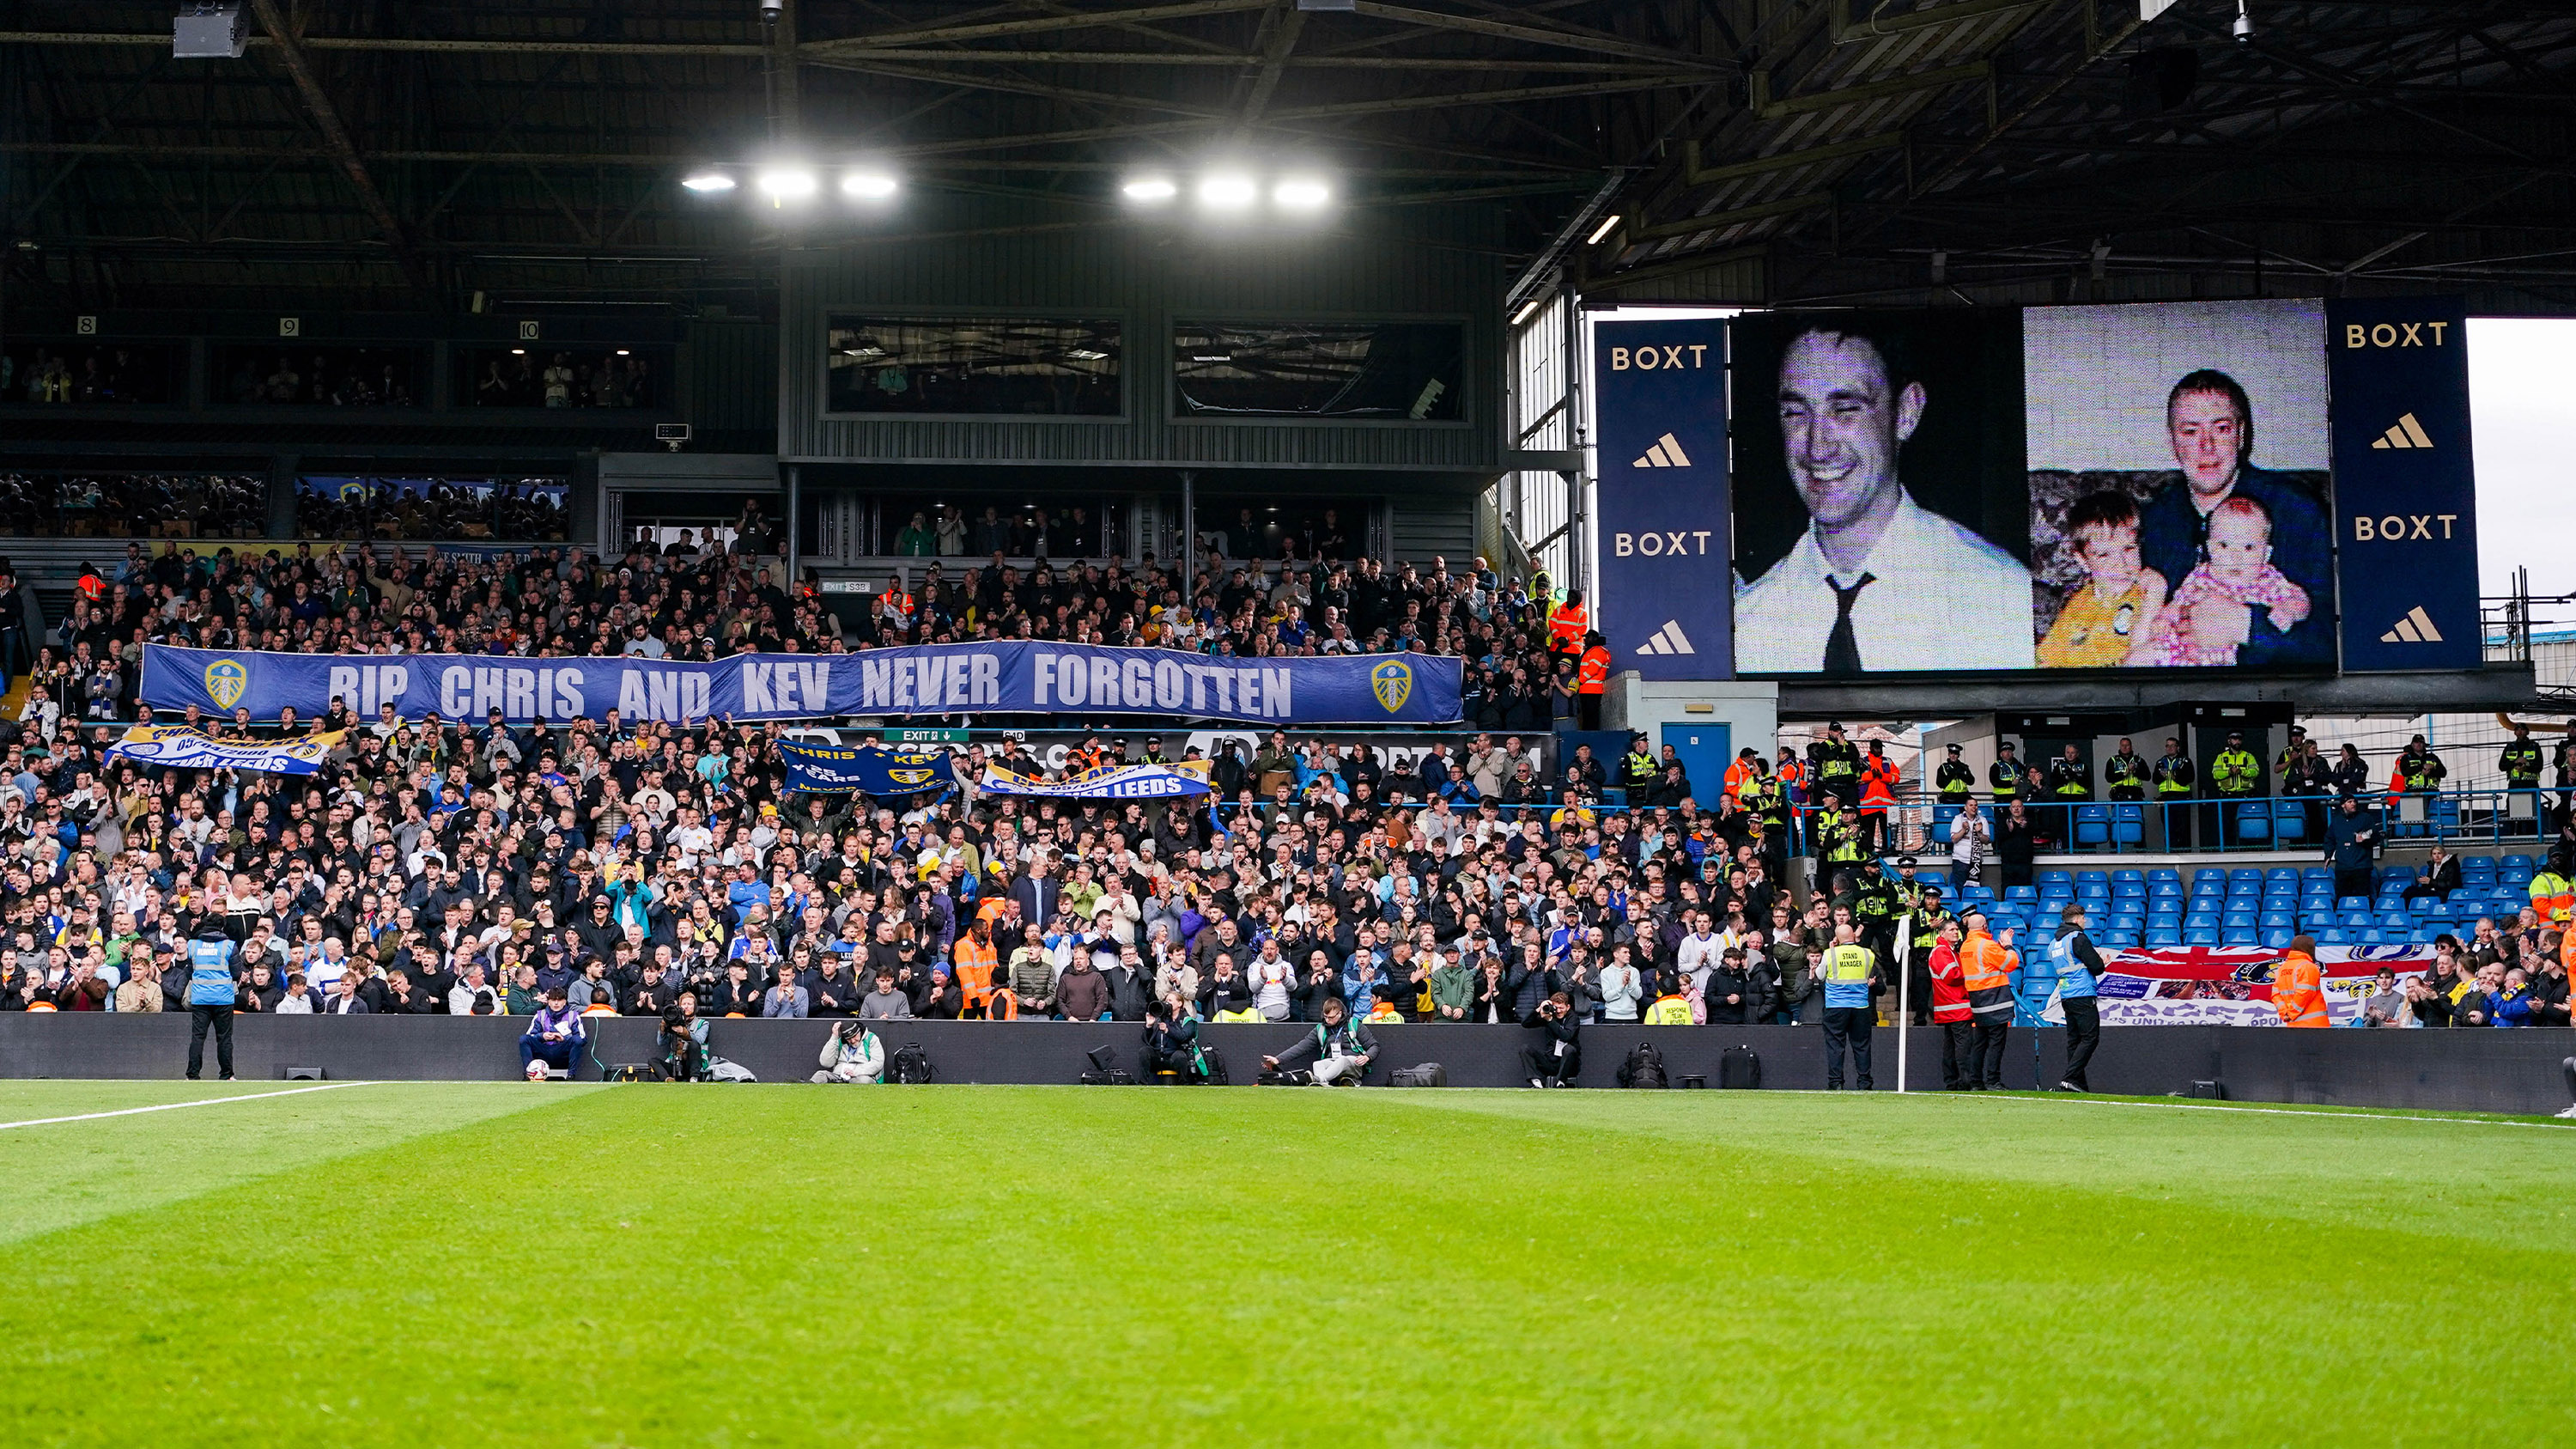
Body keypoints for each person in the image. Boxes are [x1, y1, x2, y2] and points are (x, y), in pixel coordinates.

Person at [1735, 325, 2034, 673]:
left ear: (1905, 413)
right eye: (1796, 413)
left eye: (1845, 409)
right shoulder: (1750, 621)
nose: (1818, 446)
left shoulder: (1997, 599)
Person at [2136, 368, 2332, 668]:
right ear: (2172, 440)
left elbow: (2338, 639)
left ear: (2241, 435)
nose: (2207, 446)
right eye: (2190, 432)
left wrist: (2247, 626)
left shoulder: (2298, 512)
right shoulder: (2154, 521)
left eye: (2222, 428)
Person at [2139, 496, 2309, 667]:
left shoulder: (2269, 580)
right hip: (2185, 651)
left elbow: (2301, 600)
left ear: (2266, 554)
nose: (2235, 557)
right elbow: (2179, 603)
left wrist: (2289, 610)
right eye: (2224, 546)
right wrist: (2163, 619)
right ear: (2210, 548)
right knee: (2143, 655)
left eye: (2248, 547)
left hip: (2234, 659)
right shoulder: (2202, 575)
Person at [2037, 491, 2166, 667]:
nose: (2120, 564)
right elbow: (2047, 659)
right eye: (2104, 555)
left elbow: (2144, 655)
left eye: (2129, 549)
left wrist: (2157, 593)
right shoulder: (2077, 605)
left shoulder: (2148, 595)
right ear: (2083, 561)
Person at [2049, 904, 2107, 1093]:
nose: (2085, 921)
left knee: (2074, 1040)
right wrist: (2101, 962)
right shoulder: (2078, 937)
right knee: (2090, 1037)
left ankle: (2078, 1084)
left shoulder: (2054, 943)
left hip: (2066, 995)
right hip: (2082, 992)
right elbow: (2096, 967)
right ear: (2076, 920)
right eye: (2083, 918)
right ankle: (2070, 1078)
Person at [1261, 993, 1376, 1087]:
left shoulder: (1354, 1023)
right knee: (1317, 1064)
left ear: (1340, 1014)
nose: (1327, 1021)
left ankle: (1317, 1080)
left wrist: (1367, 1057)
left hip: (1354, 1062)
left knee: (1342, 1060)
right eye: (1325, 1017)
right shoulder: (1320, 1028)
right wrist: (1278, 1059)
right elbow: (1302, 1047)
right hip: (1333, 1061)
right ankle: (1323, 1086)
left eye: (1330, 1018)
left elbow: (1374, 1046)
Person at [1959, 912, 2019, 1090]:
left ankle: (1976, 1082)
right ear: (1985, 926)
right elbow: (2012, 963)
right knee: (1996, 1044)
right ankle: (1993, 1081)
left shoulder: (1965, 946)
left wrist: (1999, 948)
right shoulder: (1986, 945)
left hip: (1977, 1001)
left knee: (1980, 1044)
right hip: (1995, 999)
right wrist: (2008, 946)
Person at [1817, 923, 1876, 1091]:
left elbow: (1820, 975)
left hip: (1835, 1006)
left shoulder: (1830, 954)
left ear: (1836, 938)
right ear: (1853, 936)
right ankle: (1865, 1083)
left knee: (1835, 1046)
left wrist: (1832, 950)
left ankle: (1836, 1083)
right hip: (1861, 1006)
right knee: (1862, 1046)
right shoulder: (1868, 953)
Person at [183, 922, 240, 1081]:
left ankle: (192, 1075)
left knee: (198, 1037)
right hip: (223, 998)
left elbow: (188, 971)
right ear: (222, 927)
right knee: (224, 1038)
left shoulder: (193, 944)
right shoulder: (229, 945)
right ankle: (227, 1074)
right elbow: (236, 973)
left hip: (200, 997)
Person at [1926, 918, 1973, 1090]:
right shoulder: (1941, 951)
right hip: (1955, 1007)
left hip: (1951, 1007)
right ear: (1941, 933)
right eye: (1951, 930)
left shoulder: (1948, 951)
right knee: (1962, 1047)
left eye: (1956, 929)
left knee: (1952, 1047)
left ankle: (1954, 1082)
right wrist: (1970, 969)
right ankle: (1964, 1082)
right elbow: (1952, 976)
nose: (1955, 932)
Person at [1518, 990, 1583, 1087]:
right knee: (1525, 1049)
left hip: (1569, 1065)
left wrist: (1550, 1021)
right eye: (1556, 1008)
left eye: (1562, 1008)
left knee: (1569, 1049)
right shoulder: (1550, 1015)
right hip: (1551, 1061)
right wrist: (1539, 1009)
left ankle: (1561, 1083)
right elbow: (1525, 1024)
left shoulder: (1573, 1018)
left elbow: (1566, 1036)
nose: (1559, 1011)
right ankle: (1536, 1081)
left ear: (1568, 1007)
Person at [518, 988, 586, 1079]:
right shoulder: (540, 1015)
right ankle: (528, 1074)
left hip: (563, 1052)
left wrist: (564, 1038)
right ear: (548, 1002)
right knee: (524, 1039)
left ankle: (571, 1075)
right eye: (553, 1000)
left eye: (560, 1000)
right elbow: (530, 1035)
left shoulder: (573, 1015)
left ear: (565, 1002)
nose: (556, 1003)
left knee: (576, 1040)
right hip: (543, 1051)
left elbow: (582, 1039)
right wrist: (542, 1036)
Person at [2328, 795, 2382, 903]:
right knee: (2343, 900)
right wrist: (2328, 855)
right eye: (2349, 801)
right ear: (2343, 805)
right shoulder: (2336, 821)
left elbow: (2376, 837)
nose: (2353, 804)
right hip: (2343, 868)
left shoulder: (2365, 818)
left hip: (2361, 867)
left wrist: (2365, 840)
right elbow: (2329, 839)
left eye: (2354, 801)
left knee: (2362, 899)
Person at [2271, 935, 2330, 1028]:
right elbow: (2304, 993)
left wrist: (2285, 1013)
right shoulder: (2308, 967)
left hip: (2292, 1025)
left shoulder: (2281, 969)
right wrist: (2291, 1013)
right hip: (2314, 1025)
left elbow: (2275, 995)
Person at [2153, 736, 2196, 849]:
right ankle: (2170, 852)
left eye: (2173, 745)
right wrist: (2162, 776)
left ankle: (2184, 852)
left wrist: (2174, 776)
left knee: (2182, 828)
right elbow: (2154, 780)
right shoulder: (2161, 761)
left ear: (2178, 747)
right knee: (2168, 828)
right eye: (2168, 745)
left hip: (2181, 798)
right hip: (2166, 799)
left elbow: (2190, 778)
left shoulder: (2185, 761)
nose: (2170, 748)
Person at [811, 1020, 884, 1083]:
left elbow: (878, 1063)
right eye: (849, 1039)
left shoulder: (871, 1039)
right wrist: (834, 1037)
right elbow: (826, 1063)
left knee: (863, 1081)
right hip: (839, 1076)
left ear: (859, 1032)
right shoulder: (840, 1042)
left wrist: (856, 1072)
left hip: (862, 1076)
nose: (852, 1041)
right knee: (819, 1075)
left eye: (855, 1036)